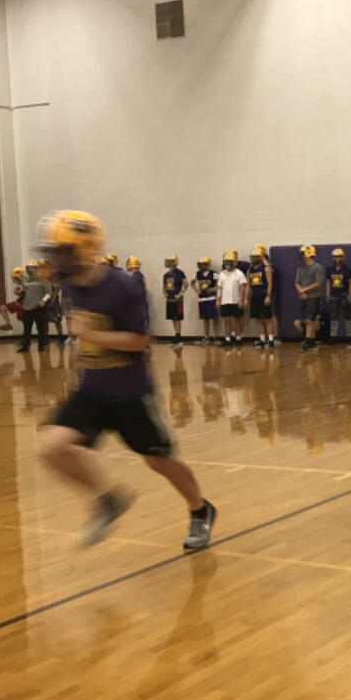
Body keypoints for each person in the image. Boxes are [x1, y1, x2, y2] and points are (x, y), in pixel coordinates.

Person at [34, 209, 217, 551]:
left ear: (83, 248)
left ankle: (200, 509)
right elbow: (83, 335)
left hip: (130, 393)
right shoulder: (69, 284)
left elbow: (140, 341)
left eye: (61, 251)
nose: (55, 259)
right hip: (91, 390)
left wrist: (92, 336)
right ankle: (107, 500)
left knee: (158, 460)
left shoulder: (122, 286)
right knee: (50, 448)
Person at [17, 258, 52, 353]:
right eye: (28, 268)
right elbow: (23, 292)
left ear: (37, 269)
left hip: (38, 307)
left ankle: (41, 345)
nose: (30, 270)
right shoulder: (24, 280)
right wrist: (18, 292)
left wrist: (44, 300)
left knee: (40, 327)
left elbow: (49, 292)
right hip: (26, 307)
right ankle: (25, 346)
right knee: (26, 328)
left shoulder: (43, 280)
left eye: (32, 268)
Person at [295, 245, 325, 352]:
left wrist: (305, 290)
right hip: (303, 297)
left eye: (303, 253)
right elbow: (297, 283)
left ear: (309, 254)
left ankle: (307, 343)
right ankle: (312, 342)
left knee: (309, 320)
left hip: (313, 297)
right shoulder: (300, 267)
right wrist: (301, 292)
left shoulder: (317, 267)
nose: (301, 256)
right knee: (306, 320)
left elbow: (317, 284)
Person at [217, 248, 248, 347]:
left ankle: (238, 338)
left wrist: (241, 300)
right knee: (226, 321)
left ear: (234, 262)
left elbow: (242, 287)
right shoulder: (222, 274)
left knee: (237, 320)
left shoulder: (239, 273)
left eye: (229, 261)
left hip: (236, 301)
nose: (227, 263)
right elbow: (219, 287)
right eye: (226, 261)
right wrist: (218, 299)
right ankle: (227, 338)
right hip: (224, 301)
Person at [247, 244, 275, 349]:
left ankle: (271, 340)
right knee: (258, 320)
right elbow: (248, 286)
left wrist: (268, 296)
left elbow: (270, 284)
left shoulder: (266, 269)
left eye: (255, 257)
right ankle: (262, 340)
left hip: (264, 296)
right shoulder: (249, 271)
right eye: (252, 257)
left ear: (260, 257)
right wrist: (245, 298)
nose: (253, 259)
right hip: (255, 297)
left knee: (267, 319)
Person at [325, 248, 351, 343]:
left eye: (339, 256)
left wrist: (350, 295)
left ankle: (349, 337)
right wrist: (328, 295)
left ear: (343, 257)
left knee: (347, 317)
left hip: (344, 296)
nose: (337, 259)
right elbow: (328, 282)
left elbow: (350, 283)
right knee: (333, 317)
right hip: (333, 296)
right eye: (335, 257)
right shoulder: (329, 269)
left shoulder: (347, 269)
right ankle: (333, 337)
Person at [162, 254, 188, 347]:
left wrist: (180, 294)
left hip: (178, 300)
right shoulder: (165, 275)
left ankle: (178, 337)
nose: (169, 263)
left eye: (171, 261)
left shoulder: (180, 273)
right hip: (170, 299)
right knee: (172, 318)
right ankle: (176, 335)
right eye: (168, 261)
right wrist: (164, 293)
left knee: (178, 319)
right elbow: (164, 287)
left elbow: (186, 284)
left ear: (175, 262)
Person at [193, 256, 220, 345]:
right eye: (200, 264)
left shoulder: (214, 273)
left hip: (211, 298)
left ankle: (216, 337)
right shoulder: (198, 274)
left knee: (214, 318)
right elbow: (192, 283)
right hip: (202, 299)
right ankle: (206, 337)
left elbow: (219, 284)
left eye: (204, 264)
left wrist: (213, 289)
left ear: (208, 264)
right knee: (205, 319)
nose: (202, 266)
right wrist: (197, 290)